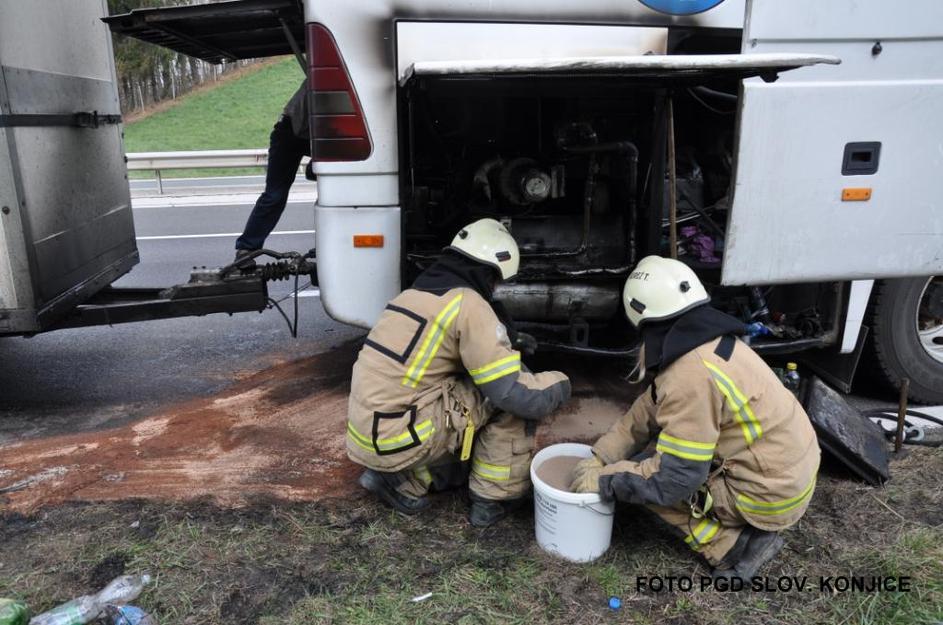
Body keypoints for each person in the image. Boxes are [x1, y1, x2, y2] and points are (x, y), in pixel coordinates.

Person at [569, 255, 820, 579]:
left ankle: (732, 547)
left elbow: (672, 481)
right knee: (644, 466)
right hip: (788, 472)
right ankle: (738, 523)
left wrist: (606, 479)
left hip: (769, 494)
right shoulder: (706, 343)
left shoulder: (689, 376)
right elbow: (649, 408)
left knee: (648, 481)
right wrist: (602, 455)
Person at [346, 218, 571, 527]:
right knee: (508, 395)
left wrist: (509, 339)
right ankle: (495, 498)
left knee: (461, 391)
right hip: (401, 434)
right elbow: (512, 393)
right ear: (489, 272)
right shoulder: (468, 303)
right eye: (497, 281)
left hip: (369, 434)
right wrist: (559, 384)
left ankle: (402, 480)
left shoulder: (411, 295)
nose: (495, 289)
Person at [234, 80, 309, 260]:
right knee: (275, 195)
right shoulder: (325, 76)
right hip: (289, 133)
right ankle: (246, 249)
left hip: (314, 134)